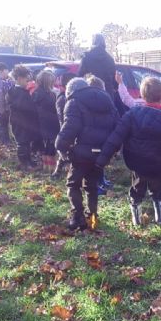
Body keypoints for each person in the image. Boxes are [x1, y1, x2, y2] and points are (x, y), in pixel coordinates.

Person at [96, 77, 161, 226]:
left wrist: (101, 160)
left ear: (142, 96)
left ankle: (136, 220)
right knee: (157, 187)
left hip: (136, 161)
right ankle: (160, 217)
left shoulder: (131, 115)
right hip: (157, 162)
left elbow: (115, 138)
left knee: (137, 187)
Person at [55, 76, 120, 231]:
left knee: (73, 184)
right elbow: (117, 127)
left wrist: (60, 146)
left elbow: (70, 127)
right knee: (91, 185)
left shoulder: (74, 102)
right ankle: (92, 217)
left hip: (81, 154)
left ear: (71, 91)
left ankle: (77, 216)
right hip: (101, 154)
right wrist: (111, 150)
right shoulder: (107, 101)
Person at [7, 65, 38, 171]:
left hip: (25, 121)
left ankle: (28, 160)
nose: (28, 82)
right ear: (20, 79)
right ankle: (24, 163)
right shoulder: (17, 92)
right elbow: (23, 106)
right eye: (26, 80)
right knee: (22, 142)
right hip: (19, 122)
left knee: (27, 142)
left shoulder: (20, 91)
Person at [32, 70, 59, 172]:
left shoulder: (35, 93)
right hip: (51, 123)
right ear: (49, 82)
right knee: (51, 145)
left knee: (45, 145)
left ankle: (46, 166)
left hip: (41, 123)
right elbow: (53, 109)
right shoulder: (49, 95)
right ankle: (52, 168)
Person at [52, 71, 76, 179]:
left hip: (67, 127)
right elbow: (62, 117)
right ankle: (61, 170)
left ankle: (58, 171)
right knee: (65, 150)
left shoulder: (65, 97)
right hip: (66, 127)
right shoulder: (63, 98)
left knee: (66, 150)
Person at [78, 34, 116, 101]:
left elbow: (79, 76)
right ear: (104, 43)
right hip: (107, 94)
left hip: (90, 93)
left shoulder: (86, 57)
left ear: (93, 42)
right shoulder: (110, 59)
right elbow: (114, 79)